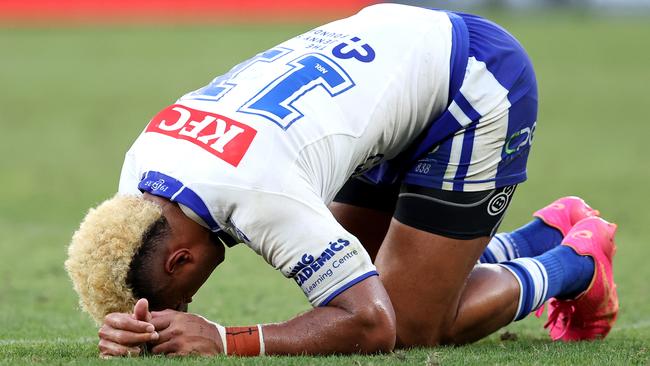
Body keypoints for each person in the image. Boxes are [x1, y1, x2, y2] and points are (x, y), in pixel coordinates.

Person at [65, 3, 618, 358]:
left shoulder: (261, 195)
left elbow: (372, 325)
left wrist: (228, 340)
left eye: (175, 303)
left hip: (471, 84)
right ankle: (543, 232)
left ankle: (575, 263)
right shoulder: (139, 177)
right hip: (388, 62)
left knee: (410, 324)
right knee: (374, 277)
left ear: (178, 262)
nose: (178, 314)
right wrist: (126, 325)